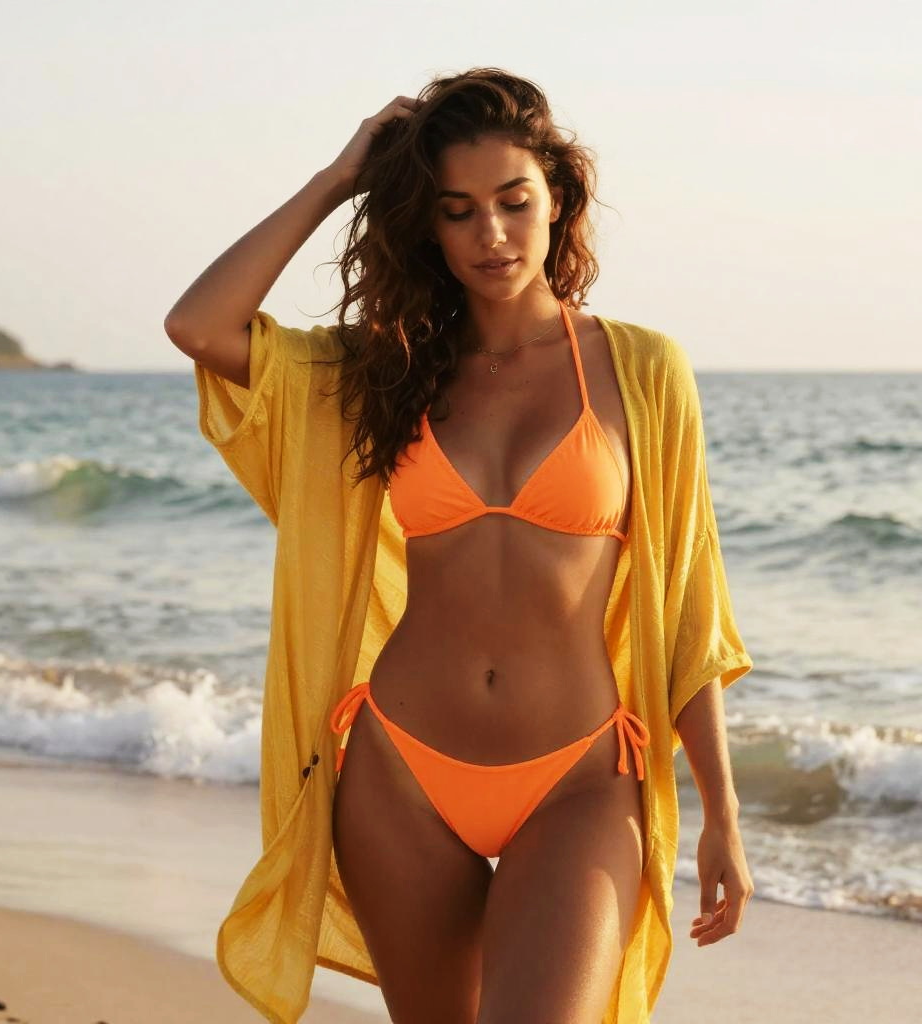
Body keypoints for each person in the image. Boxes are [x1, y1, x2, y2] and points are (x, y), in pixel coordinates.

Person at [165, 67, 753, 1024]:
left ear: (559, 201)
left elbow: (690, 605)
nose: (492, 234)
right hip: (401, 772)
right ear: (428, 228)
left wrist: (722, 816)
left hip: (578, 776)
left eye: (515, 202)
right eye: (458, 211)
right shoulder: (382, 371)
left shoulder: (642, 369)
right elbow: (199, 325)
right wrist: (337, 178)